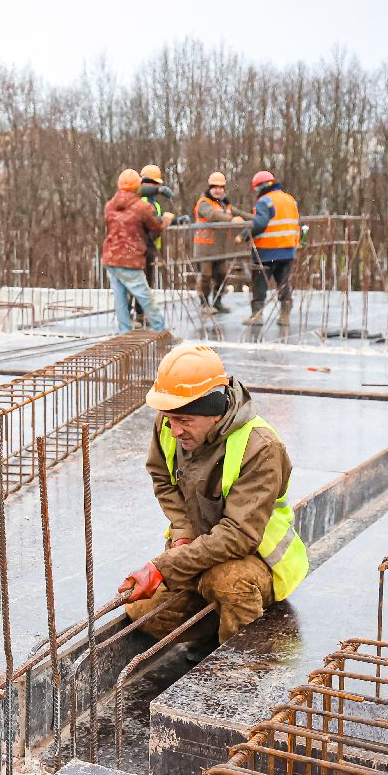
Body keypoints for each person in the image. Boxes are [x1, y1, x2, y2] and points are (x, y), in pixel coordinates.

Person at [120, 343, 309, 644]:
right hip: (203, 548)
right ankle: (219, 621)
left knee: (227, 582)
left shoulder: (260, 446)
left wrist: (164, 566)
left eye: (185, 421)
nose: (175, 430)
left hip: (257, 559)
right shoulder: (171, 422)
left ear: (214, 413)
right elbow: (162, 477)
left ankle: (241, 662)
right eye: (170, 419)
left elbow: (238, 535)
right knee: (145, 613)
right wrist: (182, 531)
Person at [102, 168, 172, 332]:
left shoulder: (110, 206)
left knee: (120, 298)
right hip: (129, 258)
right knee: (145, 296)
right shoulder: (142, 207)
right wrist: (167, 219)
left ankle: (124, 332)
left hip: (110, 257)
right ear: (137, 186)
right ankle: (160, 330)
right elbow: (156, 226)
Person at [242, 170, 301, 325]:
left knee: (260, 284)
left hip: (267, 250)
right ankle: (284, 316)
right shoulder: (289, 199)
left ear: (260, 187)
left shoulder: (265, 201)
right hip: (287, 249)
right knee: (283, 284)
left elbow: (260, 224)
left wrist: (244, 235)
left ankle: (257, 315)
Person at [192, 172, 244, 313]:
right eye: (215, 187)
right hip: (204, 248)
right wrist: (231, 220)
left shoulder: (225, 205)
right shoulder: (204, 203)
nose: (218, 190)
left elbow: (240, 214)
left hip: (220, 249)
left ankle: (217, 302)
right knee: (206, 276)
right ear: (210, 188)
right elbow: (212, 215)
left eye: (220, 187)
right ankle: (204, 304)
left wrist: (258, 218)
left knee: (222, 274)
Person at [131, 164, 173, 325]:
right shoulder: (138, 199)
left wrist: (174, 221)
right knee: (138, 283)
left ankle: (142, 314)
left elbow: (158, 221)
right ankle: (135, 316)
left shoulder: (155, 204)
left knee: (147, 283)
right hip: (140, 246)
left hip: (150, 247)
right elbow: (152, 223)